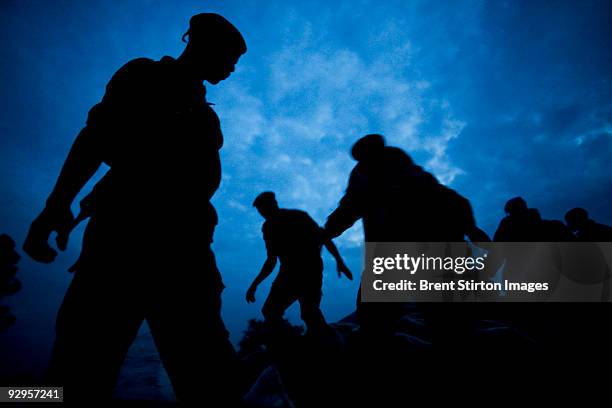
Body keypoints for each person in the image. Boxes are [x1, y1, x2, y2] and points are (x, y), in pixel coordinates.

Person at [22, 13, 246, 403]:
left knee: (210, 374)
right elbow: (96, 138)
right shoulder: (145, 76)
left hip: (186, 249)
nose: (232, 68)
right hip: (124, 246)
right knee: (74, 373)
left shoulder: (207, 114)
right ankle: (14, 396)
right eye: (230, 58)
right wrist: (56, 205)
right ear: (202, 45)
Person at [324, 134, 490, 342]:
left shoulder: (403, 173)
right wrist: (326, 231)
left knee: (440, 315)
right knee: (378, 316)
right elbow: (349, 208)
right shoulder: (366, 176)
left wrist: (470, 228)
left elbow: (451, 200)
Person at [246, 192, 353, 334]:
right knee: (270, 311)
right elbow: (271, 260)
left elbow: (323, 237)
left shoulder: (297, 216)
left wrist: (339, 261)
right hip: (287, 274)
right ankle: (291, 347)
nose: (262, 213)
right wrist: (255, 284)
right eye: (260, 211)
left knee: (309, 312)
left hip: (310, 270)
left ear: (273, 205)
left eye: (264, 209)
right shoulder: (268, 228)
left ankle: (328, 343)